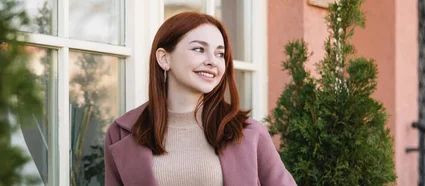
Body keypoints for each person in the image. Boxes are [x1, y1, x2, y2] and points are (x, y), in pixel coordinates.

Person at [104, 12, 297, 186]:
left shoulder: (249, 133)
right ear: (164, 58)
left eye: (220, 54)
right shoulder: (122, 133)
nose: (212, 61)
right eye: (199, 49)